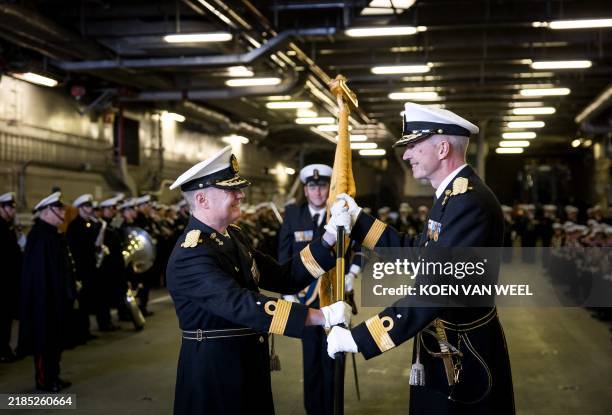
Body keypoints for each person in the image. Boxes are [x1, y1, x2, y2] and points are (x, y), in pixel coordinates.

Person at [326, 102, 515, 414]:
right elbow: (418, 252)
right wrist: (359, 220)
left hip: (465, 353)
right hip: (446, 343)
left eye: (414, 145)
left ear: (442, 148)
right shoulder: (451, 197)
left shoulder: (468, 201)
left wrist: (361, 337)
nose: (406, 154)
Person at [165, 146, 352, 414]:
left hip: (249, 365)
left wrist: (328, 239)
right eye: (231, 190)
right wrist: (320, 316)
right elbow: (242, 304)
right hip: (215, 376)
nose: (241, 194)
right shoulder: (190, 255)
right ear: (203, 199)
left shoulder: (234, 237)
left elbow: (284, 277)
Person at [277, 164, 361, 415]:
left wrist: (353, 274)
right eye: (312, 187)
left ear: (329, 189)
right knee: (311, 358)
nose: (317, 192)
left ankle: (334, 408)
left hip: (334, 297)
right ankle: (314, 410)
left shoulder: (339, 214)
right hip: (305, 298)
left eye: (322, 186)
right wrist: (286, 290)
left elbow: (358, 249)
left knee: (335, 356)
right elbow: (284, 253)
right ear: (305, 189)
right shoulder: (293, 214)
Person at [18, 192, 76, 392]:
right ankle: (44, 380)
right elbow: (38, 276)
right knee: (44, 341)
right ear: (46, 212)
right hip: (44, 301)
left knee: (55, 341)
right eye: (59, 209)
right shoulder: (39, 236)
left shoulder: (53, 234)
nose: (62, 212)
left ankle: (54, 376)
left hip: (56, 298)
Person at [0, 192, 22, 363]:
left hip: (9, 280)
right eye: (9, 208)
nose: (12, 212)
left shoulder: (8, 226)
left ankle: (5, 348)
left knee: (7, 318)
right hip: (3, 280)